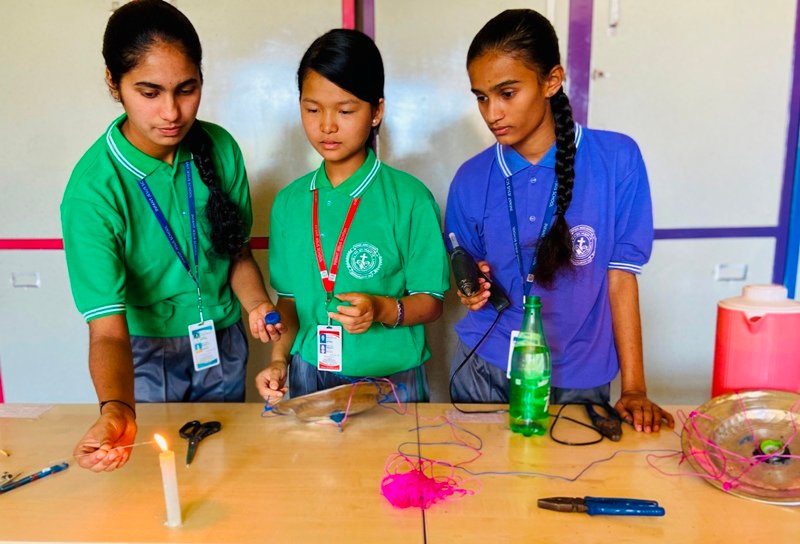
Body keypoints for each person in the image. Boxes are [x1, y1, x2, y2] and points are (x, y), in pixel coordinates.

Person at [61, 0, 282, 471]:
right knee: (155, 479)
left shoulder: (220, 148)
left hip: (221, 340)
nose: (172, 112)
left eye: (187, 89)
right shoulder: (92, 192)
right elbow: (107, 331)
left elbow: (237, 254)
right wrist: (116, 409)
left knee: (224, 468)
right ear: (113, 82)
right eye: (149, 92)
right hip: (144, 352)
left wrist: (256, 304)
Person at [445, 9, 674, 433]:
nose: (492, 113)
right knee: (481, 476)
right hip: (486, 367)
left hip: (579, 376)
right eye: (481, 97)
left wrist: (635, 388)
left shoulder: (617, 160)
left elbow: (621, 277)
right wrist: (472, 290)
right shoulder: (470, 178)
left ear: (551, 81)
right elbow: (467, 269)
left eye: (507, 93)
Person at [255, 29, 449, 405]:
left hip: (392, 379)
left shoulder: (410, 198)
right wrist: (279, 361)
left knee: (397, 448)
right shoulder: (289, 203)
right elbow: (289, 301)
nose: (327, 125)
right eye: (312, 109)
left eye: (345, 111)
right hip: (309, 370)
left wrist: (380, 309)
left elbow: (431, 301)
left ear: (376, 111)